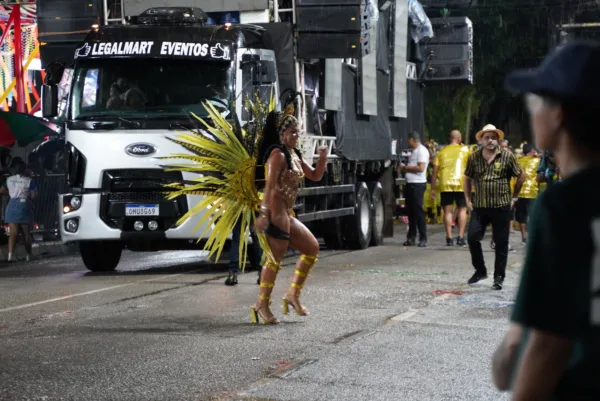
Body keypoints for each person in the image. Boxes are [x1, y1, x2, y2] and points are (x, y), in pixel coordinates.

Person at [492, 40, 600, 401]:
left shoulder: (564, 204)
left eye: (536, 101)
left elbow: (547, 345)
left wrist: (514, 343)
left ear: (559, 114)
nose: (531, 110)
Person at [252, 102, 328, 325]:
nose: (296, 135)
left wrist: (322, 158)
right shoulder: (277, 155)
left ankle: (292, 295)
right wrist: (264, 214)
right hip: (275, 213)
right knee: (274, 259)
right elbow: (270, 187)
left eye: (297, 131)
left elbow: (314, 175)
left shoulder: (294, 154)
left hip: (286, 213)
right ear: (281, 134)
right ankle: (261, 305)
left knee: (312, 248)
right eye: (291, 131)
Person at [463, 124, 525, 290]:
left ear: (498, 139)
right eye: (487, 137)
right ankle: (480, 270)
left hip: (501, 206)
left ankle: (498, 277)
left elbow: (521, 175)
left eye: (493, 137)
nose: (490, 140)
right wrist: (467, 199)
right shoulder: (473, 157)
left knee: (501, 243)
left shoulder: (507, 156)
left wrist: (515, 196)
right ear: (481, 140)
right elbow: (467, 178)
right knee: (472, 238)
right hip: (480, 206)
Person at [430, 130, 471, 246]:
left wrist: (432, 188)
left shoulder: (441, 151)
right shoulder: (465, 150)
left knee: (447, 211)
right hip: (461, 183)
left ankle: (449, 237)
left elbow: (434, 172)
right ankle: (460, 237)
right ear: (459, 138)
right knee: (462, 209)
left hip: (445, 183)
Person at [0, 158, 37, 262]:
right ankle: (29, 255)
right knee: (26, 233)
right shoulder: (29, 181)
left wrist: (11, 194)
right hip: (24, 205)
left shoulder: (8, 180)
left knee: (13, 233)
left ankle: (10, 256)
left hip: (11, 205)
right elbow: (34, 195)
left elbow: (1, 190)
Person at [399, 132, 430, 247]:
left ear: (412, 139)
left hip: (417, 184)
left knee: (418, 212)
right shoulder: (415, 151)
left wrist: (405, 168)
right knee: (410, 212)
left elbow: (421, 168)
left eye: (409, 140)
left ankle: (423, 238)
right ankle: (411, 237)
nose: (408, 142)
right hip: (410, 184)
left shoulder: (421, 151)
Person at [514, 144, 540, 244]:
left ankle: (524, 237)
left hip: (519, 192)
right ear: (531, 151)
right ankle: (534, 236)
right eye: (534, 151)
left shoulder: (518, 161)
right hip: (532, 192)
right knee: (534, 216)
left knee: (522, 216)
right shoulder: (536, 161)